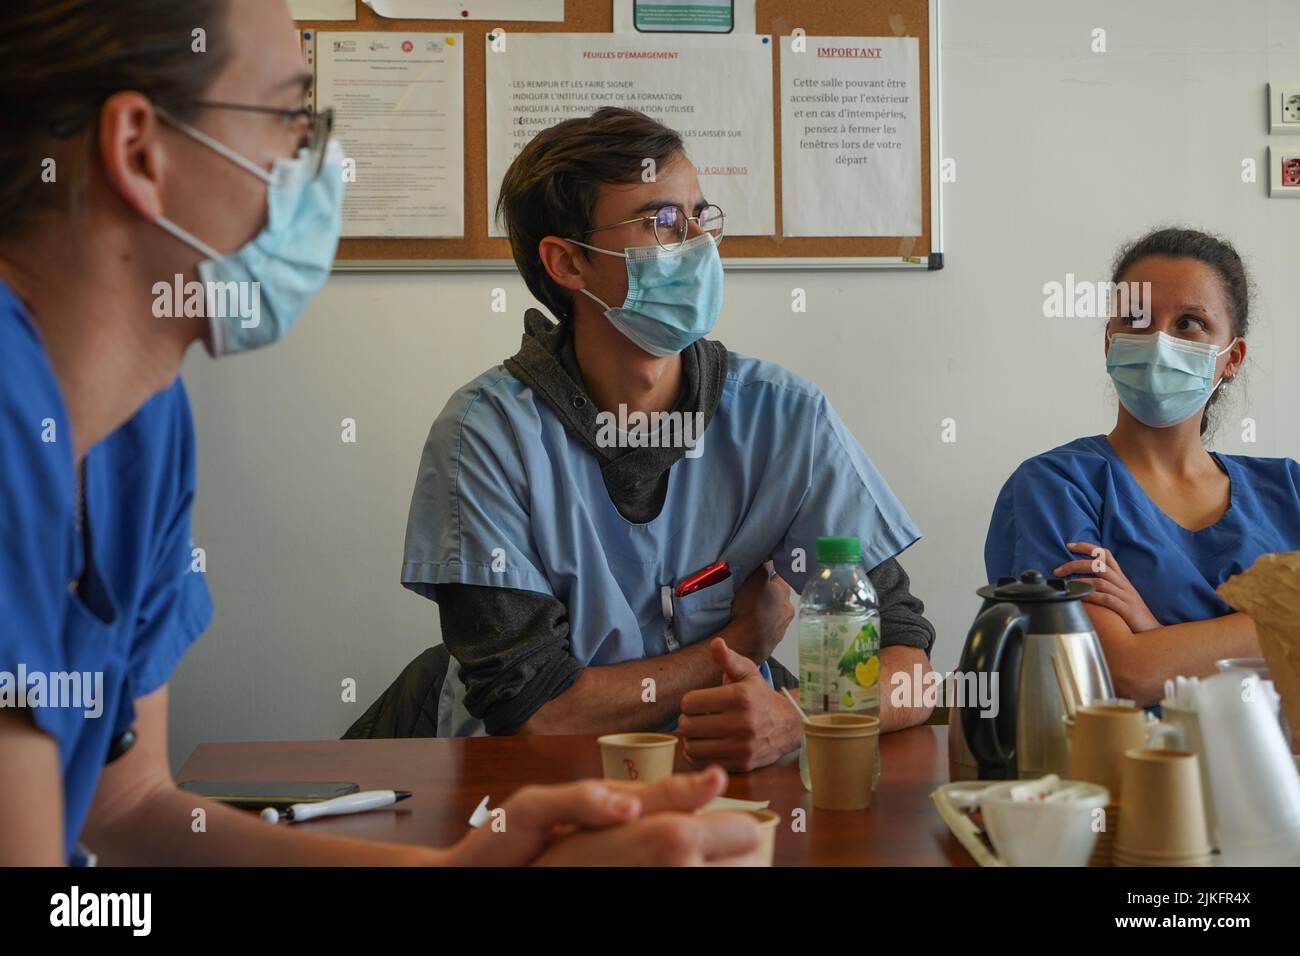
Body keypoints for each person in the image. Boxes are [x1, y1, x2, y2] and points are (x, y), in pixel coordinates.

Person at [0, 0, 764, 867]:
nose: (320, 161)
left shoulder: (144, 422)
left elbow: (128, 807)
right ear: (141, 152)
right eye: (292, 115)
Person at [399, 107, 937, 766]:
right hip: (539, 795)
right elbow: (536, 712)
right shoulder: (485, 437)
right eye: (661, 222)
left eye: (700, 217)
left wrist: (799, 717)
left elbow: (908, 665)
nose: (698, 244)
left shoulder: (782, 419)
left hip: (730, 785)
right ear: (568, 263)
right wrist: (741, 641)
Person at [985, 227, 1300, 705]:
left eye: (1190, 323)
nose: (1157, 342)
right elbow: (1119, 674)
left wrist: (1152, 634)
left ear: (1231, 357)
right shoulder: (1058, 486)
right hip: (1124, 772)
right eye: (1136, 319)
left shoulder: (1288, 488)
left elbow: (1147, 667)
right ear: (1110, 340)